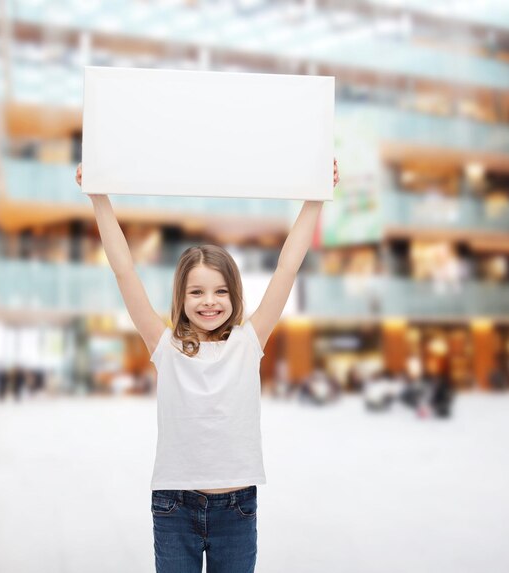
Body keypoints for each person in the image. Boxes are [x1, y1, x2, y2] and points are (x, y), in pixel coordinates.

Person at [76, 158, 340, 572]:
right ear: (180, 298)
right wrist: (99, 198)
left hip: (236, 508)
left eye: (220, 291)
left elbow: (288, 266)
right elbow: (125, 271)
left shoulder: (248, 342)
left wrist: (315, 198)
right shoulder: (164, 345)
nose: (209, 301)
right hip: (174, 506)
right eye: (196, 291)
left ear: (235, 295)